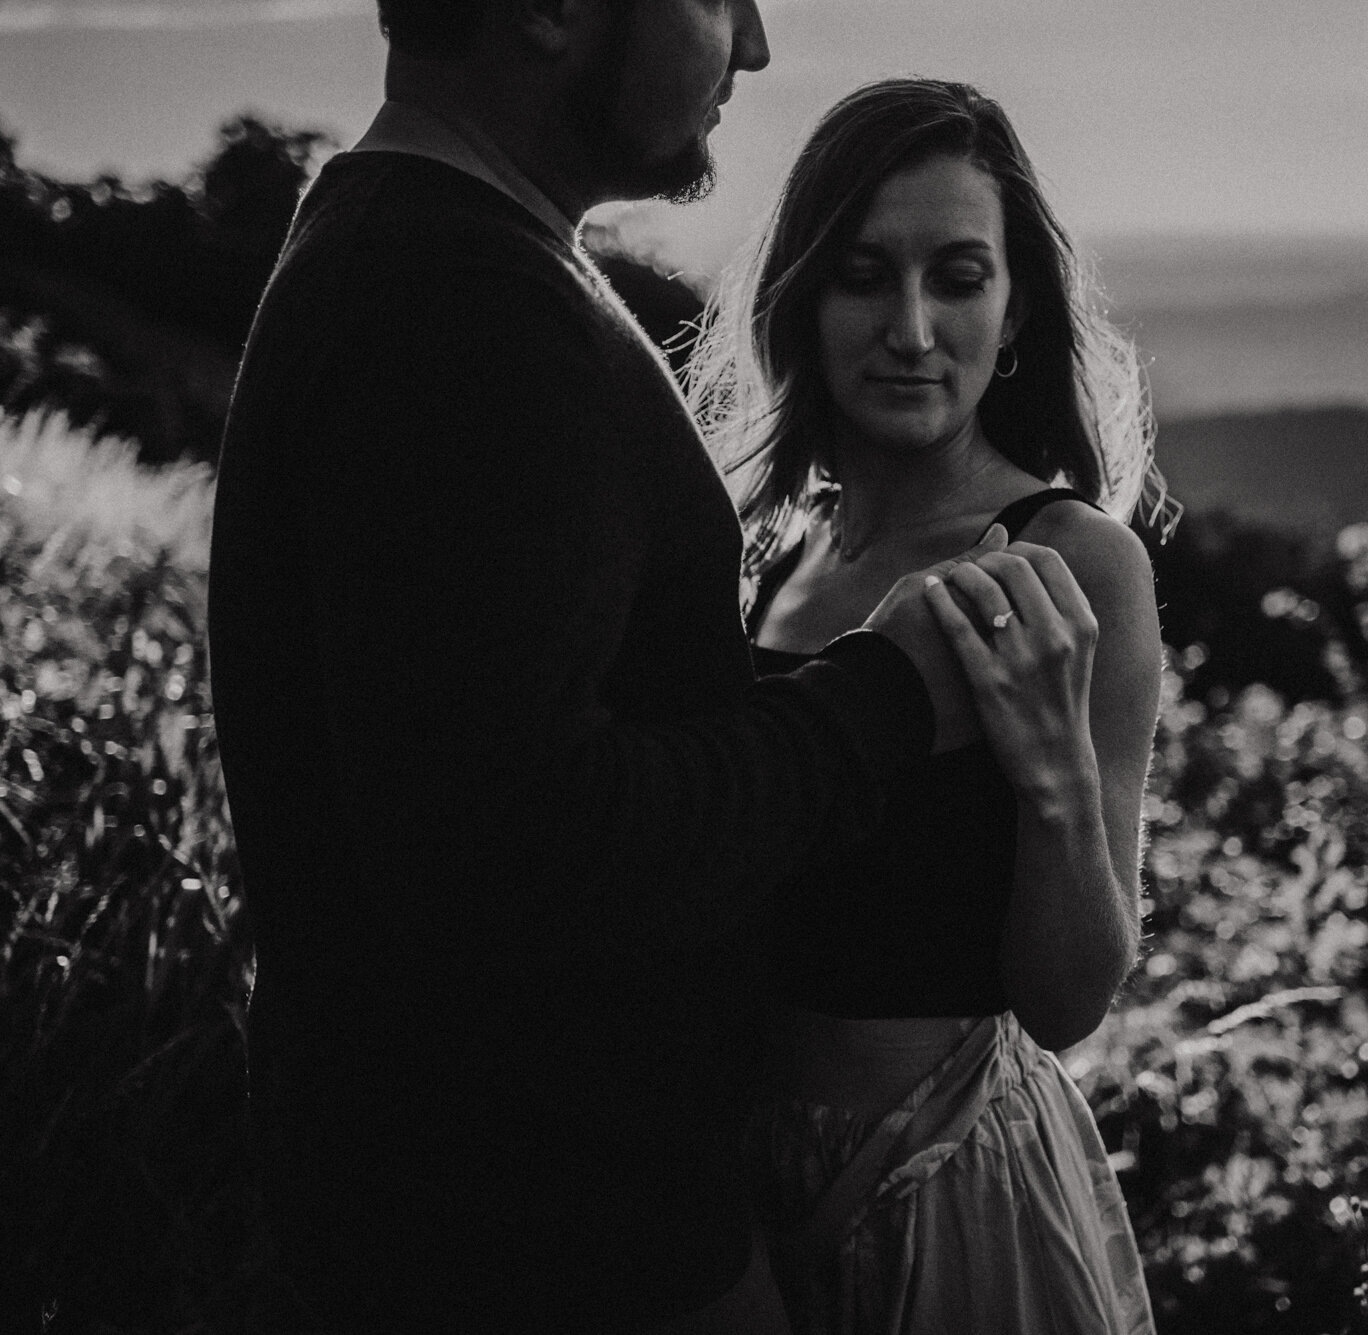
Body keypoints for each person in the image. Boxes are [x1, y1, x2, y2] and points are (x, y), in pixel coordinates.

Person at [205, 7, 1102, 1333]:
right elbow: (515, 845)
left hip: (543, 1211)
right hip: (549, 1237)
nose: (750, 45)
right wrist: (883, 692)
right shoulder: (464, 312)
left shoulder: (432, 258)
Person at [685, 78, 1172, 1333]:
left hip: (951, 1190)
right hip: (724, 1197)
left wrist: (1053, 768)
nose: (910, 327)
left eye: (957, 277)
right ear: (803, 298)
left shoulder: (1067, 561)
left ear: (1014, 312)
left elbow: (1067, 1005)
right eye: (862, 274)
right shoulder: (759, 554)